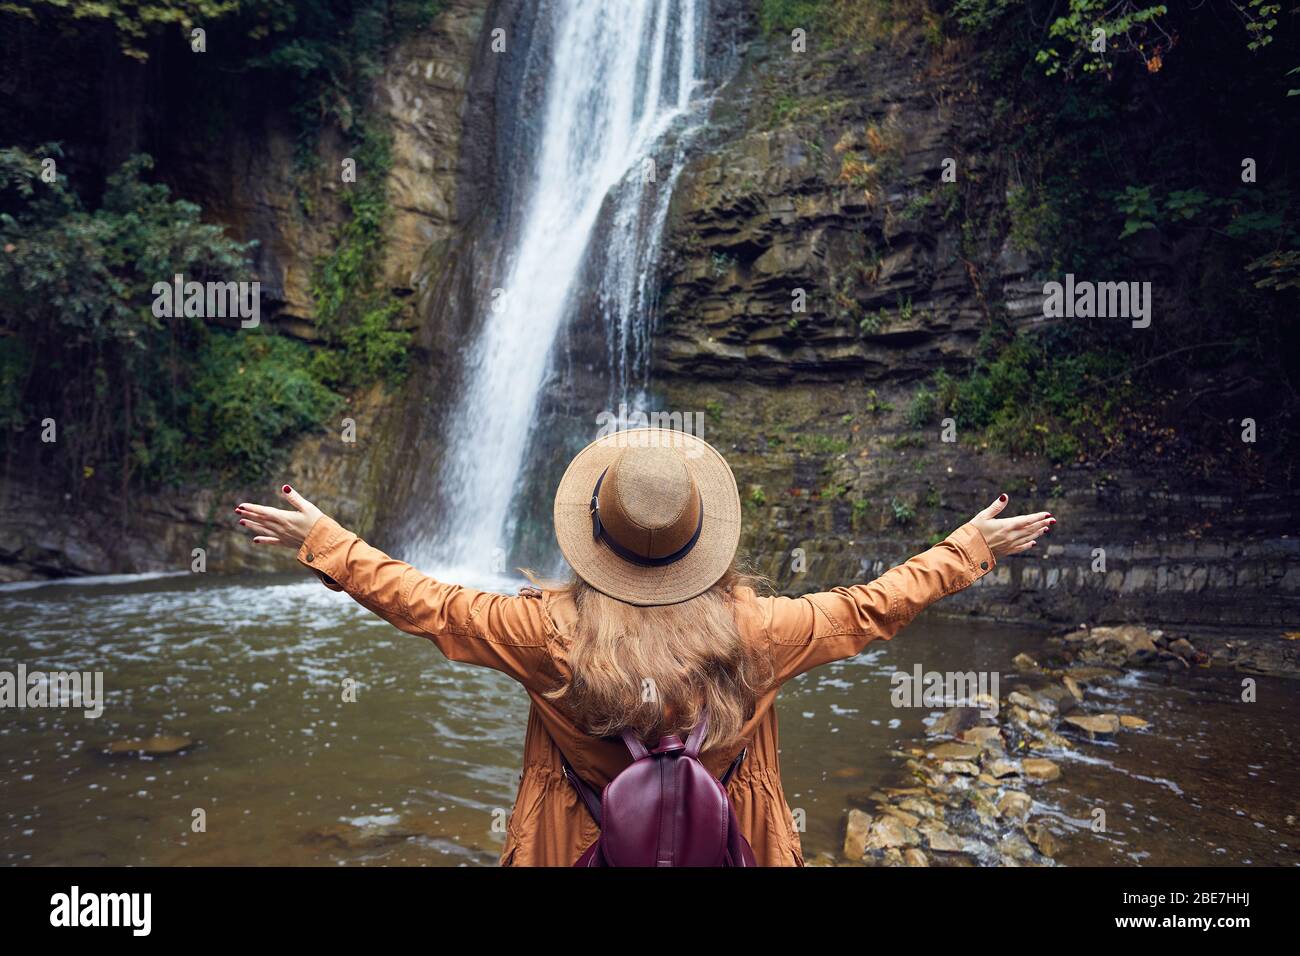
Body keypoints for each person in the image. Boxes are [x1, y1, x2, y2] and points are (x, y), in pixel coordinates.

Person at [234, 428, 1054, 866]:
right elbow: (872, 607)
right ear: (702, 541)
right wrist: (970, 547)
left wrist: (327, 540)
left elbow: (429, 603)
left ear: (594, 536)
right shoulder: (758, 633)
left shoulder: (545, 632)